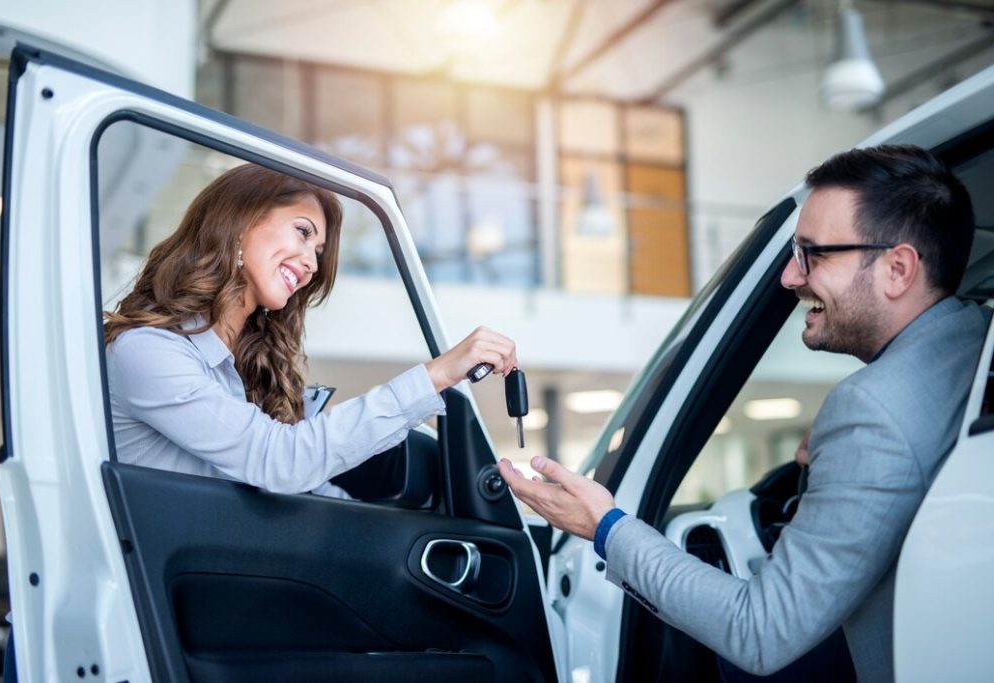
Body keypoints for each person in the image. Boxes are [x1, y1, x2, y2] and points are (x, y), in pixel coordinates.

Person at [499, 145, 991, 682]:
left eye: (813, 254)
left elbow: (762, 631)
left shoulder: (869, 409)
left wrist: (604, 526)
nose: (789, 277)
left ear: (897, 269)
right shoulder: (975, 341)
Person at [104, 163, 517, 495]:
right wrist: (437, 375)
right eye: (302, 232)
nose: (312, 264)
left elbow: (308, 491)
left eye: (318, 252)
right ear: (239, 223)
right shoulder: (148, 351)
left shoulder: (241, 369)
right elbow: (280, 462)